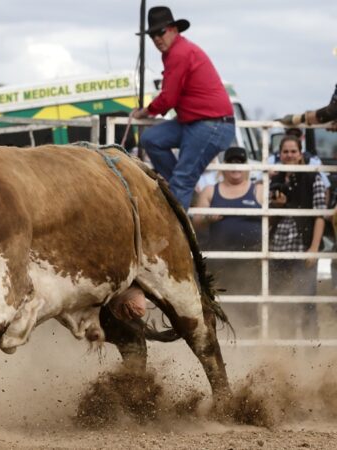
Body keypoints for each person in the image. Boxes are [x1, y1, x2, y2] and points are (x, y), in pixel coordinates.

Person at [130, 6, 235, 210]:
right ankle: (184, 190)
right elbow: (171, 96)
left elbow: (168, 98)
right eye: (152, 35)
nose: (157, 39)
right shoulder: (178, 51)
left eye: (160, 32)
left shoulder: (178, 53)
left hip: (210, 124)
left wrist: (144, 111)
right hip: (201, 122)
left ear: (173, 29)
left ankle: (179, 233)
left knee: (181, 179)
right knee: (151, 140)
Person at [192, 147, 263, 336]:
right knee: (220, 301)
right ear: (223, 166)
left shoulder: (259, 189)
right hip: (220, 259)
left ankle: (251, 343)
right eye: (231, 162)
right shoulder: (210, 190)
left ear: (246, 166)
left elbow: (271, 220)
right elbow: (197, 222)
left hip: (251, 260)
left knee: (250, 304)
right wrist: (208, 218)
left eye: (240, 162)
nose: (236, 166)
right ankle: (223, 340)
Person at [268, 135, 327, 339]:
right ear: (280, 154)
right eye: (286, 151)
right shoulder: (274, 179)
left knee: (307, 300)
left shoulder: (313, 177)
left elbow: (320, 216)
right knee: (281, 302)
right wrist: (277, 205)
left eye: (293, 151)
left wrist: (314, 248)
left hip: (303, 247)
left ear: (300, 153)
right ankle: (287, 351)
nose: (290, 155)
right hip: (278, 247)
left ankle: (312, 351)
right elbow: (266, 216)